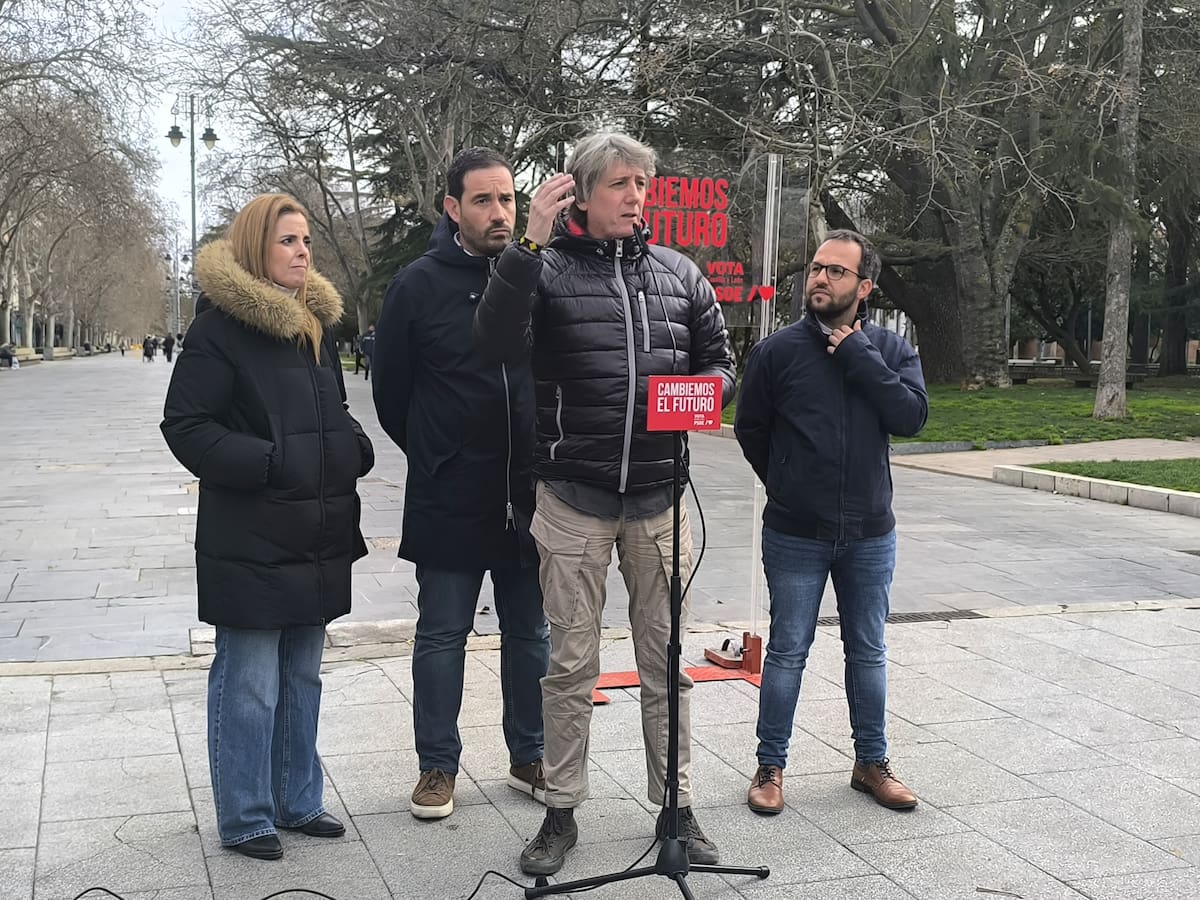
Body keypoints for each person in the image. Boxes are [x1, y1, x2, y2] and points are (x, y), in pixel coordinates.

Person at [474, 131, 736, 876]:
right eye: (620, 184)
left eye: (642, 184)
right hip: (572, 501)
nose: (635, 196)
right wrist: (527, 243)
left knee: (667, 663)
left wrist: (701, 394)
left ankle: (676, 806)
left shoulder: (680, 273)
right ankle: (560, 811)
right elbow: (493, 341)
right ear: (582, 195)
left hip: (660, 502)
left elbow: (721, 364)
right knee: (570, 666)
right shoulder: (546, 269)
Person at [160, 193, 375, 861]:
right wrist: (268, 462)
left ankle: (297, 798)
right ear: (258, 247)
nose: (303, 251)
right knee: (249, 682)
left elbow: (334, 409)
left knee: (303, 676)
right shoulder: (219, 330)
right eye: (288, 240)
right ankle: (246, 813)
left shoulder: (316, 325)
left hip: (316, 530)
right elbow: (185, 424)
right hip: (250, 535)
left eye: (306, 239)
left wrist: (352, 448)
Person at [372, 148, 549, 821]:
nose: (499, 212)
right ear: (452, 208)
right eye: (483, 200)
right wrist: (437, 452)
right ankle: (437, 766)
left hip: (527, 492)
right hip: (450, 493)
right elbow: (391, 394)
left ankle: (529, 754)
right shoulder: (417, 285)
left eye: (507, 199)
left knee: (530, 632)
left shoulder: (534, 274)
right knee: (442, 634)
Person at [733, 229, 928, 817]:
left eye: (836, 271)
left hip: (870, 533)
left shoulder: (890, 350)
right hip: (795, 532)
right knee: (787, 650)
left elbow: (911, 417)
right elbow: (750, 429)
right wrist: (787, 482)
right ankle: (770, 767)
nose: (819, 278)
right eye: (817, 268)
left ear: (864, 287)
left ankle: (871, 763)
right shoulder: (778, 351)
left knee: (867, 650)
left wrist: (860, 356)